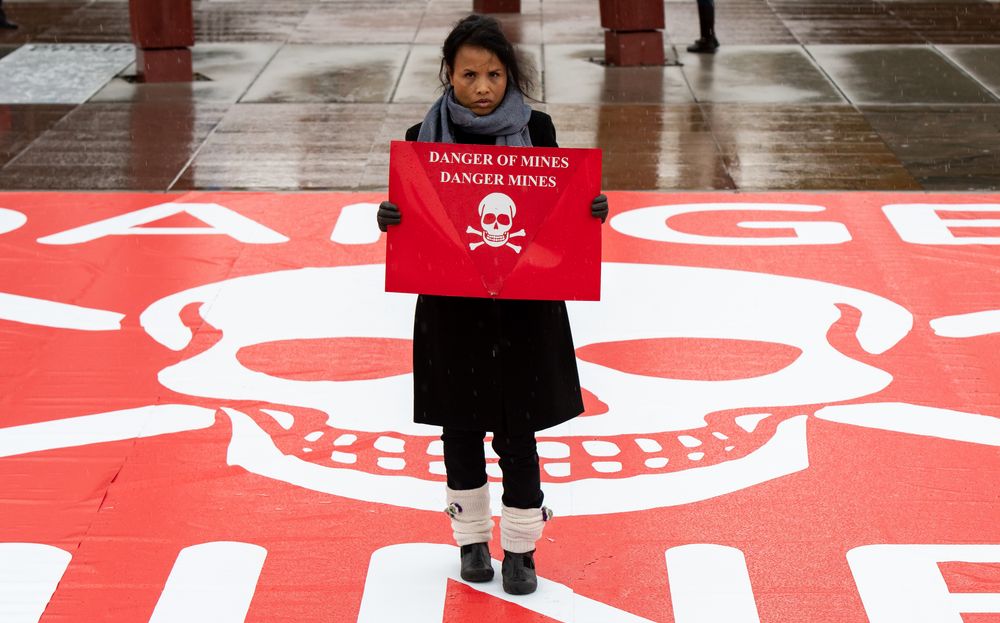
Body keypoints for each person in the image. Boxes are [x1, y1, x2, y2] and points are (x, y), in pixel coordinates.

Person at [377, 14, 608, 596]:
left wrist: (590, 208)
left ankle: (522, 550)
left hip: (523, 313)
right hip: (453, 312)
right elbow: (417, 217)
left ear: (511, 75)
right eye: (469, 74)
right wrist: (391, 218)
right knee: (459, 429)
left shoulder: (541, 129)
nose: (483, 87)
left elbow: (559, 213)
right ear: (448, 75)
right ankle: (472, 540)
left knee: (518, 432)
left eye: (494, 74)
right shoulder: (420, 137)